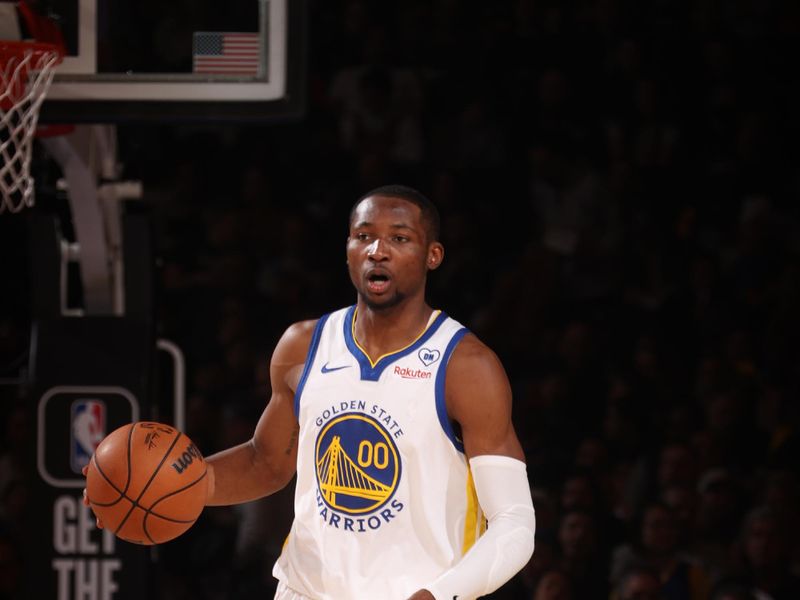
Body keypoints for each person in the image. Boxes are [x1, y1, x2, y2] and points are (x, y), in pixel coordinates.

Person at [87, 185, 536, 599]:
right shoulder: (303, 345)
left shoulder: (465, 366)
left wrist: (438, 595)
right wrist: (163, 486)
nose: (378, 251)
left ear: (432, 255)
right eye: (364, 236)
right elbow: (267, 461)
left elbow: (514, 525)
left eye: (400, 239)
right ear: (348, 250)